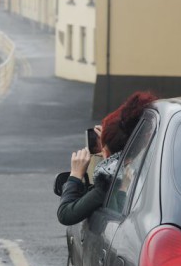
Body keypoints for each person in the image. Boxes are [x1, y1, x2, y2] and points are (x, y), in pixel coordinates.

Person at [57, 91, 157, 225]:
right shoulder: (148, 162)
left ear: (106, 151)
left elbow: (65, 215)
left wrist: (75, 175)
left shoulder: (108, 183)